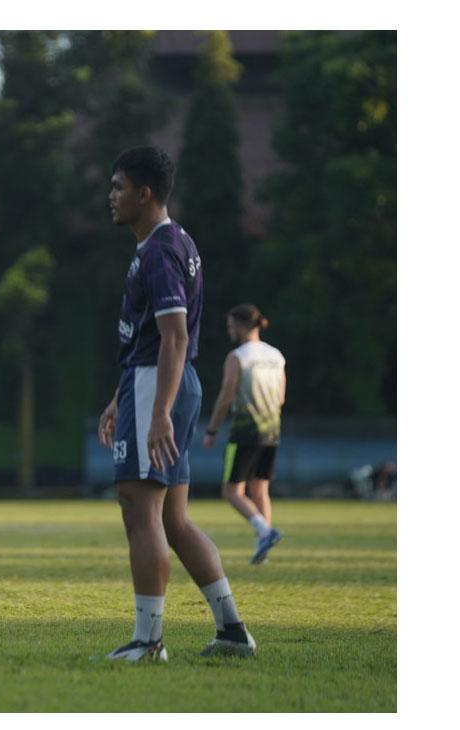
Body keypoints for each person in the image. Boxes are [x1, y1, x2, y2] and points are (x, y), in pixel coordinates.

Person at [97, 146, 255, 661]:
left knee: (139, 509)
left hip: (158, 385)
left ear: (145, 194)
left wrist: (156, 408)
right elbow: (155, 339)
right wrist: (122, 397)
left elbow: (174, 336)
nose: (111, 196)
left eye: (119, 186)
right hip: (155, 383)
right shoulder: (172, 242)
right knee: (175, 521)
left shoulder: (161, 249)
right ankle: (232, 631)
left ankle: (149, 641)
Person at [202, 304, 286, 564]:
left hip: (245, 433)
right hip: (272, 432)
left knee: (231, 491)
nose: (228, 329)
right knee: (261, 490)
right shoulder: (276, 356)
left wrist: (212, 429)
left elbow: (226, 396)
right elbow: (281, 397)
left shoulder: (237, 357)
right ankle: (263, 552)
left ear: (239, 325)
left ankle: (265, 531)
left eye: (230, 325)